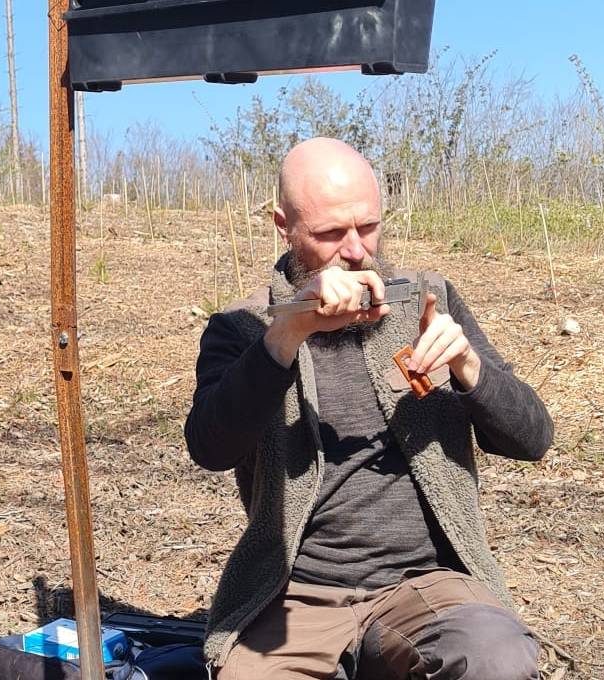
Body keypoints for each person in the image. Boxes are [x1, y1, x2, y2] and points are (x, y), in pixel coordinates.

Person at [185, 138, 553, 680]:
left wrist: (469, 367)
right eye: (331, 234)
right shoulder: (242, 328)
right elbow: (210, 447)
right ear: (283, 226)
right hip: (292, 594)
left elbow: (533, 438)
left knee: (495, 657)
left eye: (368, 227)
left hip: (426, 585)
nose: (356, 251)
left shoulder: (429, 300)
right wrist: (284, 337)